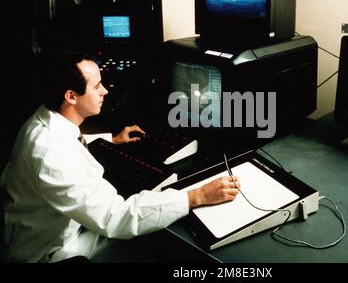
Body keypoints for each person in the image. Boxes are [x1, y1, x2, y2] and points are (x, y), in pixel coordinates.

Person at [0, 51, 240, 263]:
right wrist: (194, 197)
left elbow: (69, 143)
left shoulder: (42, 121)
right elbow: (115, 218)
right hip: (50, 253)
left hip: (43, 230)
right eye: (97, 86)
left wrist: (111, 140)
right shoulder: (52, 153)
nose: (105, 91)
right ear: (71, 96)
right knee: (155, 244)